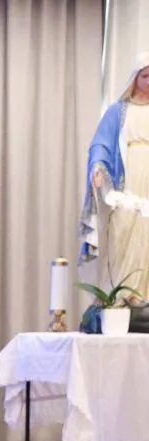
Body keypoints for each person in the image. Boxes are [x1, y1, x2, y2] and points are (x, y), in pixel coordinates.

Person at [80, 51, 149, 301]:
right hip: (127, 180)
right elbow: (100, 144)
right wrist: (98, 167)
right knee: (124, 230)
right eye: (145, 75)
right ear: (135, 78)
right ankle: (123, 294)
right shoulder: (119, 111)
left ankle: (145, 295)